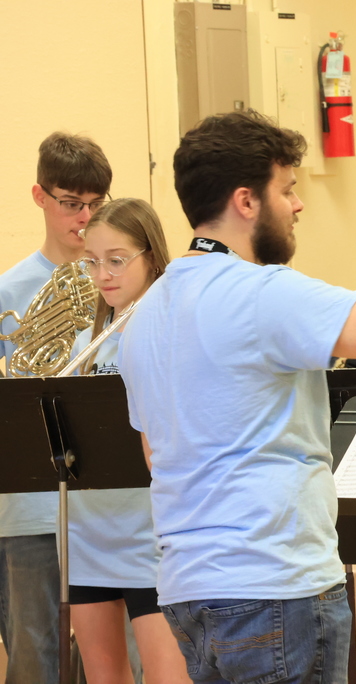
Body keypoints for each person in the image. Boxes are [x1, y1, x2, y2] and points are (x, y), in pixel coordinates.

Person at [117, 110, 356, 684]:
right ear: (246, 201)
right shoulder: (259, 293)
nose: (298, 205)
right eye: (288, 189)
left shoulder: (145, 315)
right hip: (274, 585)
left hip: (189, 590)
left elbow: (154, 453)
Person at [0, 131, 111, 684]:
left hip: (113, 504)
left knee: (122, 662)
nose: (85, 216)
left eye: (97, 204)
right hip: (30, 510)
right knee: (33, 656)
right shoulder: (8, 292)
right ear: (40, 197)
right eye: (72, 203)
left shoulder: (122, 286)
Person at [69, 198, 190, 683]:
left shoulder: (173, 331)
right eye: (92, 261)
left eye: (117, 260)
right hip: (88, 534)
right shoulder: (85, 344)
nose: (103, 274)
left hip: (151, 536)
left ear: (152, 257)